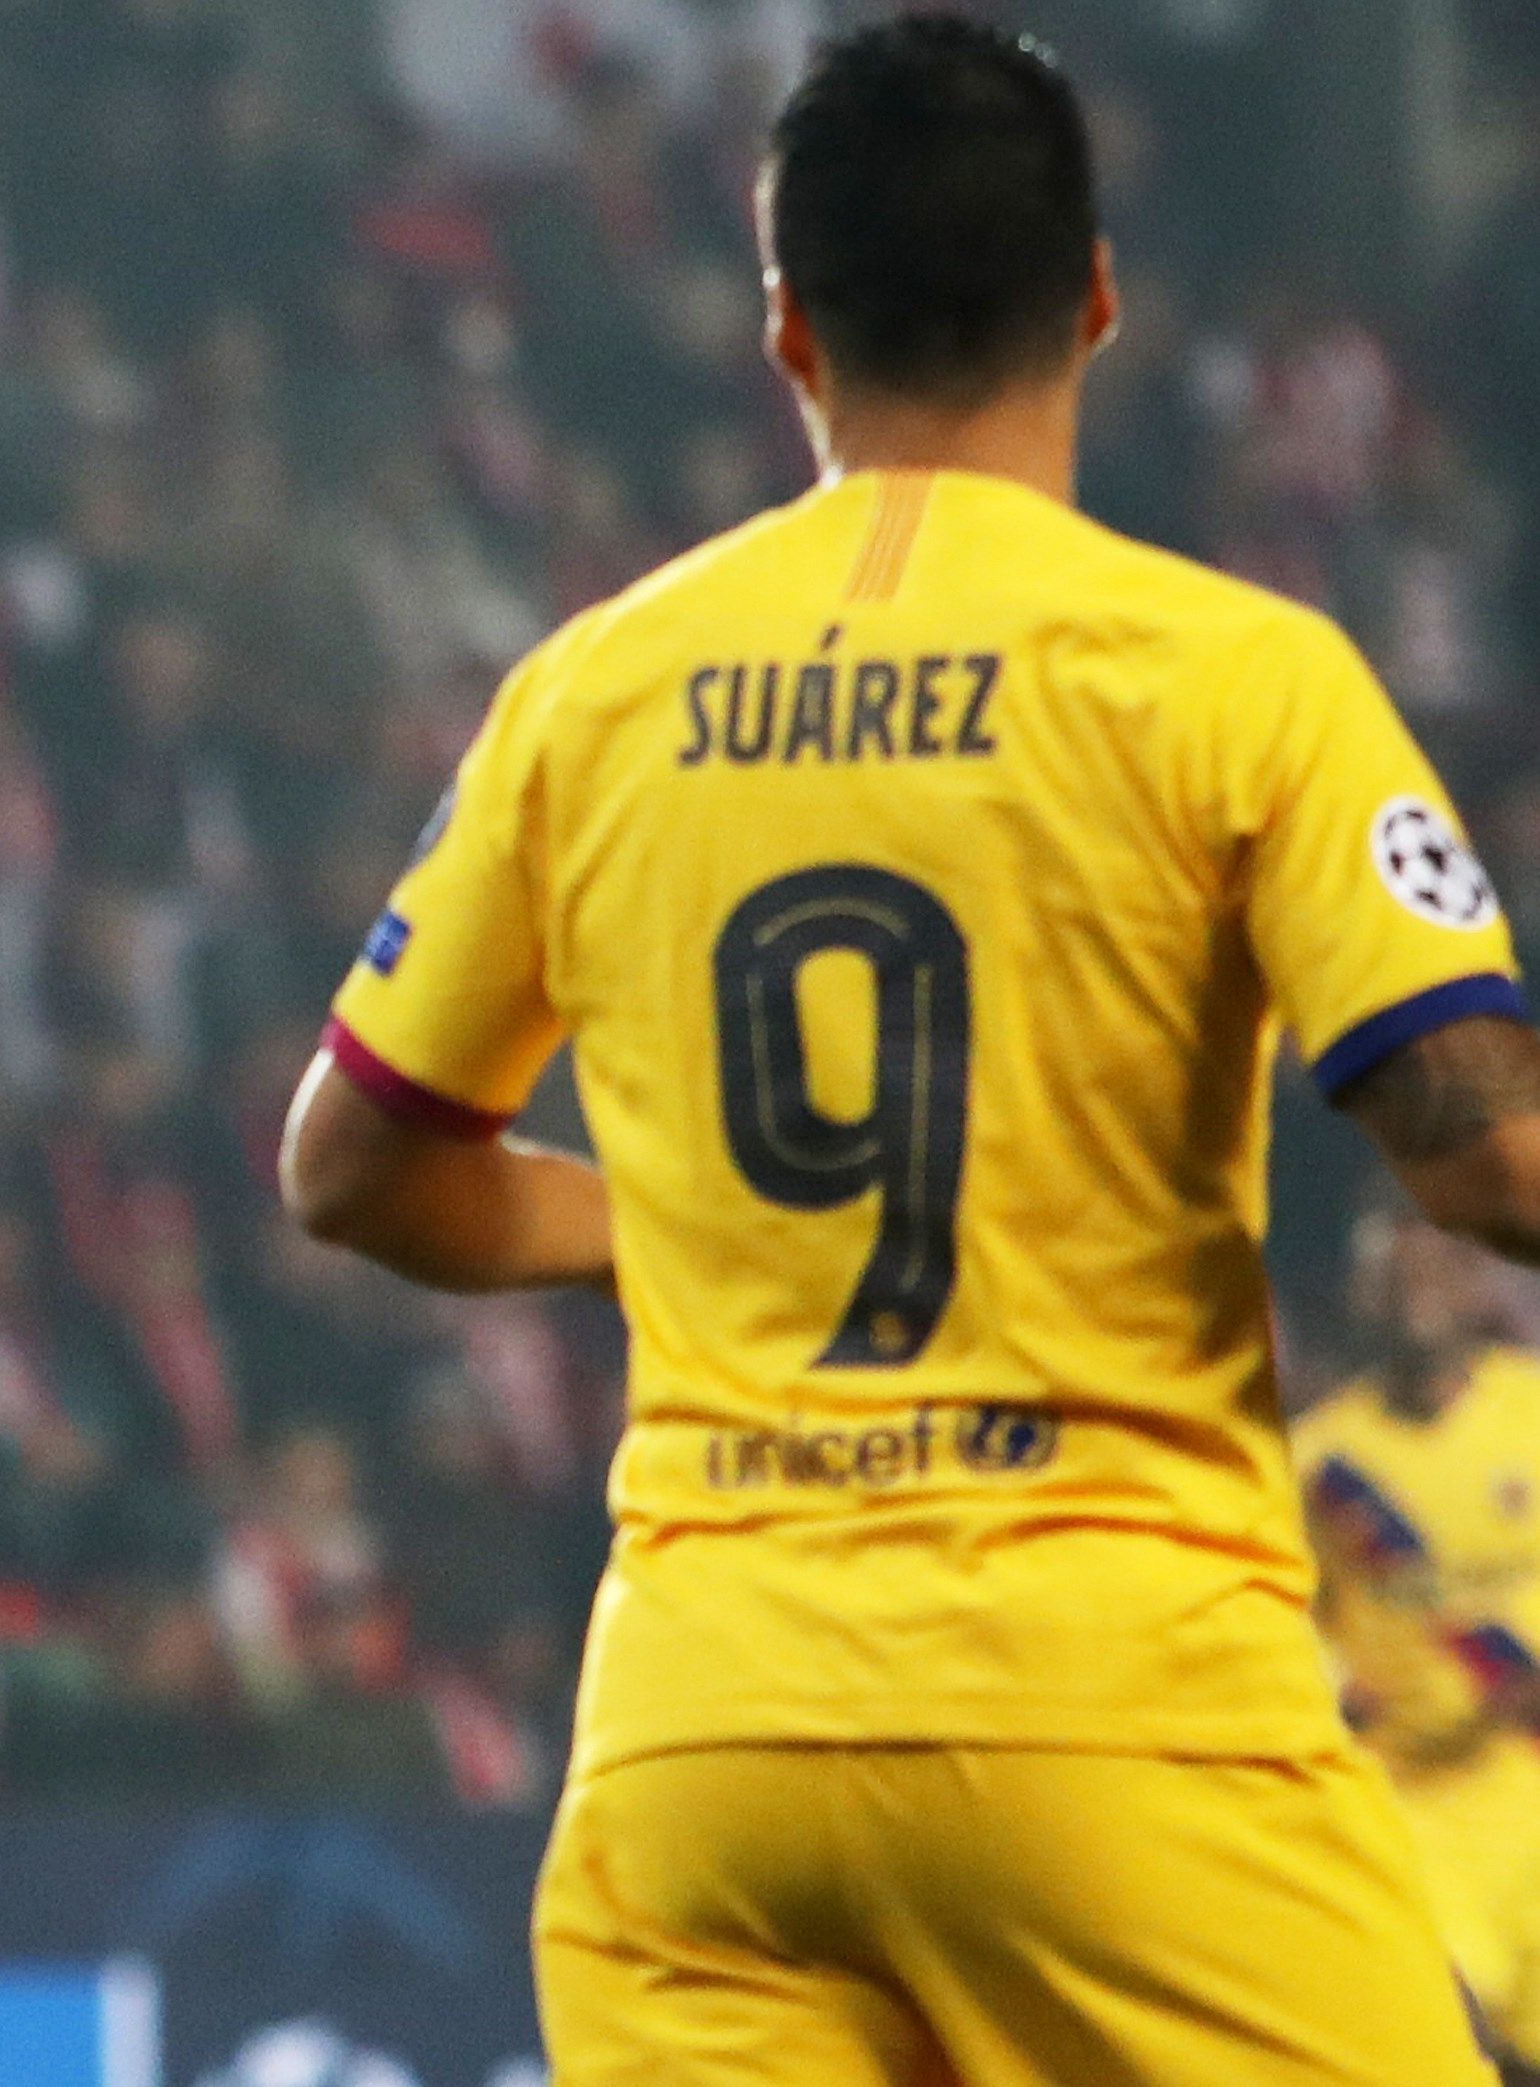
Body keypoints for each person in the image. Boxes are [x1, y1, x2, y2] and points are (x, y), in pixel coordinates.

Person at [277, 17, 1540, 2083]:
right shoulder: (1231, 678)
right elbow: (1479, 1153)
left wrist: (667, 1226)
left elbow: (351, 1166)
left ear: (785, 329)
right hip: (1113, 1707)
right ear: (1100, 299)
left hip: (701, 1734)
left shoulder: (588, 694)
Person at [1295, 1206, 1540, 2084]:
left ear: (1477, 1277)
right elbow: (1289, 1629)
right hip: (1416, 1814)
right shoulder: (1322, 1460)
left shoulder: (1533, 1409)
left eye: (1435, 1255)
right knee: (1443, 2046)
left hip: (1530, 1787)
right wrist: (1327, 1688)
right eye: (1390, 1262)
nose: (1414, 1284)